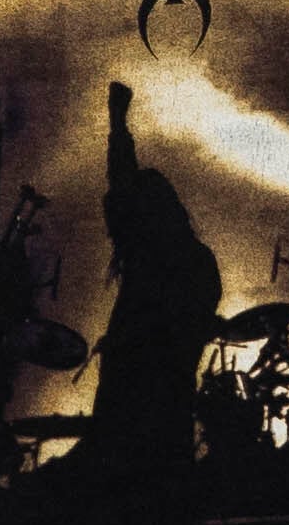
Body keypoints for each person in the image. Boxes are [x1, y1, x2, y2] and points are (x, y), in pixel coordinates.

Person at [77, 81, 221, 479]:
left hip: (144, 395)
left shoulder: (157, 257)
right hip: (162, 398)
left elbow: (122, 180)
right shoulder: (193, 259)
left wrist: (118, 121)